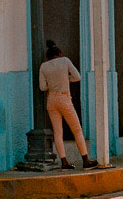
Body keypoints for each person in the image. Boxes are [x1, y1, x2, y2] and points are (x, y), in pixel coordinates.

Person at [39, 39, 97, 169]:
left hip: (51, 100)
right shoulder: (65, 61)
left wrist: (52, 83)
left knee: (58, 133)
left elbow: (43, 87)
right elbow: (77, 77)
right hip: (64, 98)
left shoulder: (44, 66)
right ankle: (86, 160)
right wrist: (65, 79)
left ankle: (64, 162)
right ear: (59, 53)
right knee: (76, 129)